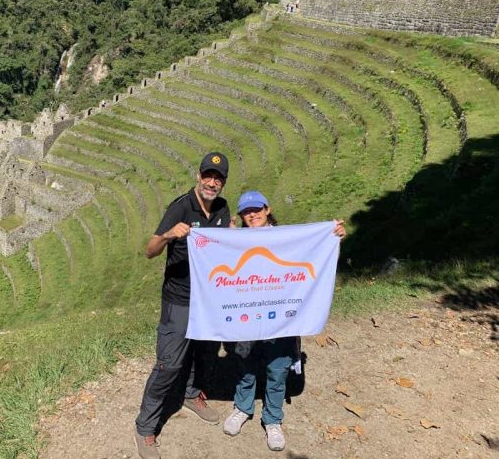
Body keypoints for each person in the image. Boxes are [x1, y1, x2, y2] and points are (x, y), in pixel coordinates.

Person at [222, 190, 346, 451]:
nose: (252, 214)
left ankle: (273, 419)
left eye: (256, 209)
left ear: (267, 210)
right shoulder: (238, 240)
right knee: (245, 366)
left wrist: (333, 239)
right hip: (248, 317)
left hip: (283, 319)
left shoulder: (288, 239)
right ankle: (242, 408)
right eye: (246, 211)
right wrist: (225, 239)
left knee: (277, 371)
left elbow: (317, 259)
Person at [135, 152, 232, 459]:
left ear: (223, 182)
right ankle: (145, 427)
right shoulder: (180, 206)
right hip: (178, 299)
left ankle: (191, 394)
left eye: (217, 178)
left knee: (203, 352)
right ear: (198, 175)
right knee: (169, 364)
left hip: (208, 299)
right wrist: (168, 235)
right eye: (208, 175)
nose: (211, 182)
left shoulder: (222, 208)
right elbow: (150, 251)